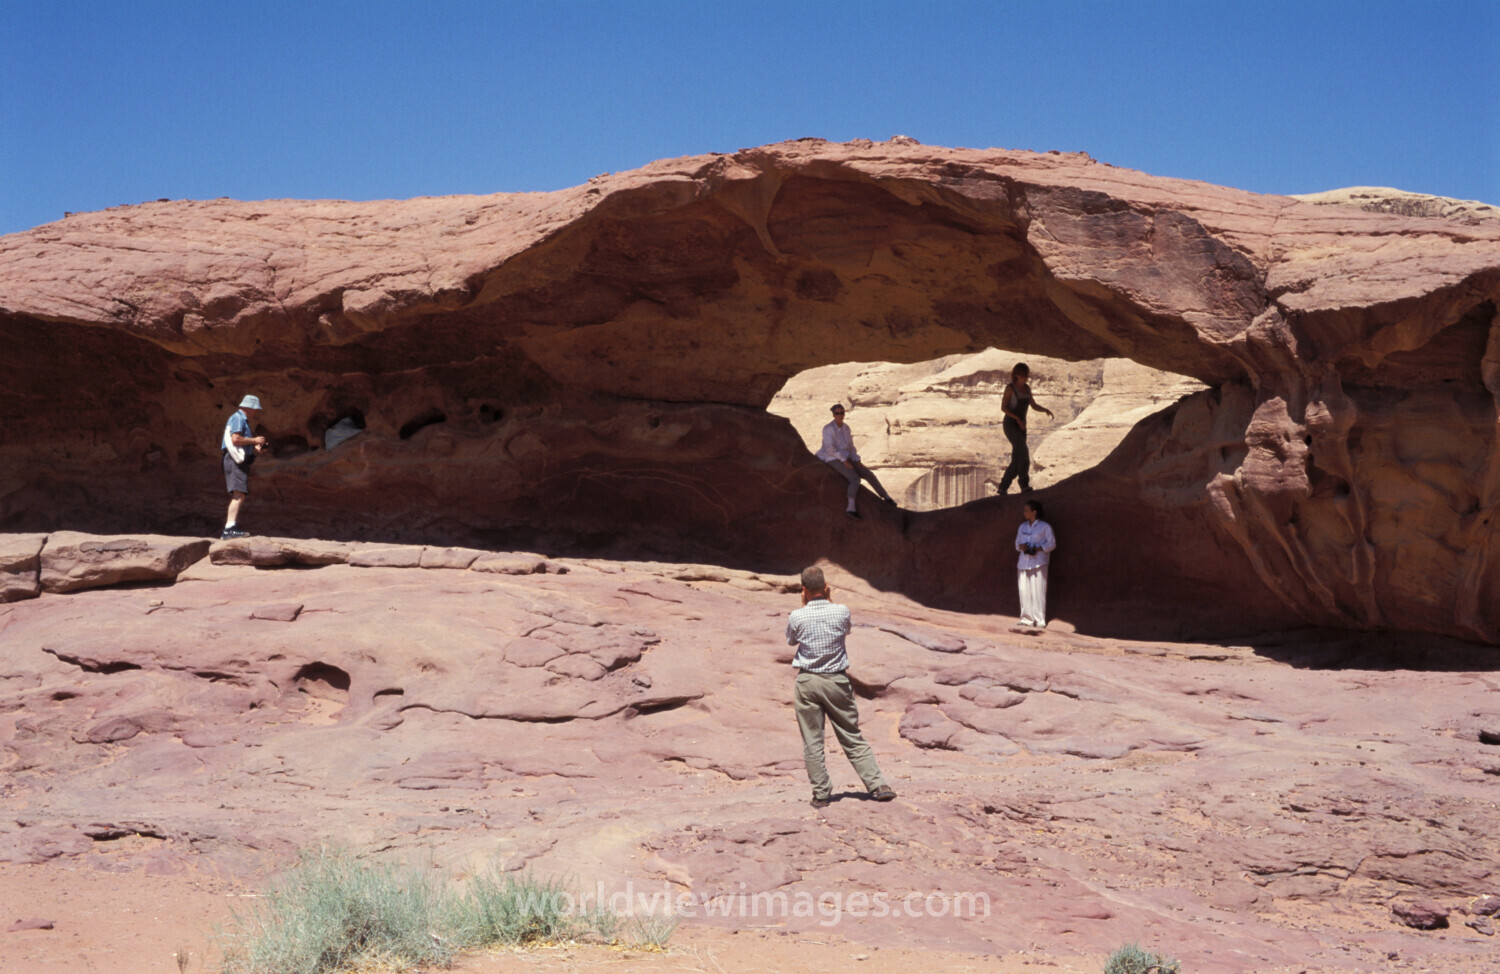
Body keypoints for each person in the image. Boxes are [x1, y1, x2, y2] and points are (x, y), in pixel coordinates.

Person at [786, 566, 897, 808]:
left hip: (808, 681)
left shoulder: (796, 616)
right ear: (826, 588)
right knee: (850, 733)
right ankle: (878, 785)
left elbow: (791, 641)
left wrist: (804, 606)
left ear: (803, 589)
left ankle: (821, 795)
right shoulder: (841, 611)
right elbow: (845, 630)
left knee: (812, 740)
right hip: (836, 680)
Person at [816, 403, 897, 519]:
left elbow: (851, 447)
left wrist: (856, 459)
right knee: (854, 479)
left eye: (842, 413)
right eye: (837, 413)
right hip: (831, 458)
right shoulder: (828, 429)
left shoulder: (846, 428)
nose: (840, 415)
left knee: (869, 474)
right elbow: (829, 448)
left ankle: (887, 498)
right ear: (833, 415)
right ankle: (850, 508)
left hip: (846, 457)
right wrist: (844, 460)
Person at [998, 363, 1053, 495]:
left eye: (1027, 375)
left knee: (1019, 457)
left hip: (1022, 425)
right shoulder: (1010, 388)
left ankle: (1006, 487)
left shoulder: (1027, 389)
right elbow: (1004, 408)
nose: (1026, 377)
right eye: (1024, 375)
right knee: (1022, 454)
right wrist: (1017, 418)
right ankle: (1020, 485)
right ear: (1017, 375)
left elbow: (1033, 404)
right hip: (1011, 424)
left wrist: (1044, 409)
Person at [221, 395, 268, 540]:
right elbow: (235, 439)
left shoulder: (241, 420)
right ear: (249, 407)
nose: (256, 412)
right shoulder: (238, 418)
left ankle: (230, 528)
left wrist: (255, 448)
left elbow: (239, 442)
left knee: (239, 494)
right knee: (238, 494)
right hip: (234, 460)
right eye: (255, 409)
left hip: (238, 460)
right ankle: (229, 529)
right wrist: (255, 440)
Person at [1014, 500, 1056, 628]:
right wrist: (1022, 546)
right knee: (1024, 590)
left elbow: (1052, 543)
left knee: (1038, 591)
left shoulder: (1045, 527)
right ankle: (1026, 619)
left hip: (1039, 562)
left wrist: (1038, 548)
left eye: (1027, 511)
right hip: (1023, 562)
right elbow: (1017, 544)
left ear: (1034, 512)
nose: (1024, 513)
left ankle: (1039, 620)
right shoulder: (1022, 527)